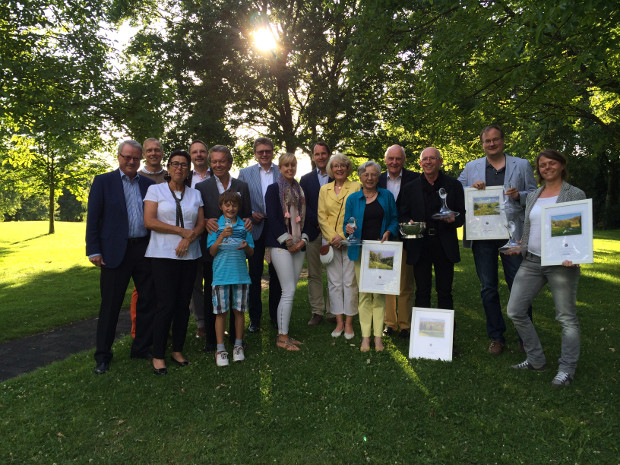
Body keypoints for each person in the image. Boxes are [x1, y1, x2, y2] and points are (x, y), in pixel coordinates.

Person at [507, 150, 586, 387]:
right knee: (515, 310)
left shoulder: (574, 194)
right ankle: (535, 359)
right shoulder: (534, 195)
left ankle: (567, 368)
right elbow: (532, 228)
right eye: (542, 165)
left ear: (562, 166)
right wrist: (520, 246)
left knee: (566, 318)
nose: (547, 167)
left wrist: (575, 254)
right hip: (531, 261)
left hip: (561, 264)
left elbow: (578, 228)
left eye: (552, 163)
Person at [458, 125, 537, 355]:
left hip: (513, 235)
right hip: (482, 236)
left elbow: (533, 195)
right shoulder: (472, 167)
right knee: (488, 288)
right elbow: (456, 190)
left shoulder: (521, 164)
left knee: (519, 286)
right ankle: (496, 336)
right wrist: (470, 188)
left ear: (503, 141)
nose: (491, 144)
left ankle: (525, 336)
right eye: (487, 141)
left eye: (495, 140)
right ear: (482, 144)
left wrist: (519, 195)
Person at [86, 140, 155, 375]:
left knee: (148, 301)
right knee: (111, 305)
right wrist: (93, 249)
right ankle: (103, 356)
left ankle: (141, 348)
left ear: (140, 160)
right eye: (127, 157)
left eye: (136, 158)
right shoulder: (103, 181)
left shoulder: (148, 184)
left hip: (144, 251)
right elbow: (93, 218)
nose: (131, 161)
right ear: (118, 157)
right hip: (114, 251)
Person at [144, 150, 204, 375]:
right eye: (175, 164)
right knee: (165, 304)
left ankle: (177, 349)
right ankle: (158, 354)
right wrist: (181, 232)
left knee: (182, 304)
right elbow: (149, 221)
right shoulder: (155, 190)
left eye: (183, 165)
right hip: (162, 256)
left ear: (188, 170)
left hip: (189, 256)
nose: (179, 168)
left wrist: (189, 238)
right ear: (168, 168)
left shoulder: (194, 194)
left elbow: (199, 224)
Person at [195, 145, 252, 352]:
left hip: (235, 249)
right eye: (215, 161)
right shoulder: (202, 187)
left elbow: (246, 213)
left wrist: (247, 221)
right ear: (211, 163)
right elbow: (199, 214)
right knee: (214, 293)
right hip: (213, 247)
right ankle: (212, 340)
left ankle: (237, 339)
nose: (218, 165)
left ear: (229, 162)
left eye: (222, 161)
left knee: (235, 294)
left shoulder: (242, 185)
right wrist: (207, 220)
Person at [399, 148, 465, 310]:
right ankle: (422, 334)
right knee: (422, 291)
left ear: (440, 162)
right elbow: (402, 214)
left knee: (445, 291)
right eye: (425, 159)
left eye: (432, 158)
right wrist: (410, 222)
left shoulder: (453, 185)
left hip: (444, 244)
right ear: (420, 163)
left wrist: (453, 219)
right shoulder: (409, 188)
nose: (428, 162)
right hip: (420, 245)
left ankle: (447, 333)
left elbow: (462, 216)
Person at [344, 161, 398, 352]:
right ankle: (365, 337)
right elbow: (346, 225)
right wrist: (348, 229)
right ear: (360, 176)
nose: (369, 178)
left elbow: (394, 219)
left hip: (381, 251)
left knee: (380, 294)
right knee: (365, 294)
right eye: (366, 174)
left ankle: (378, 338)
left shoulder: (387, 196)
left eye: (373, 174)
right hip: (360, 251)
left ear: (378, 176)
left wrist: (389, 232)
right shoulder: (353, 199)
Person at [264, 153, 309, 350]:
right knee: (288, 290)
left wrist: (302, 240)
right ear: (280, 168)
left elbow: (311, 217)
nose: (290, 168)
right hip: (281, 246)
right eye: (286, 165)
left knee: (290, 290)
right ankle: (282, 338)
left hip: (299, 246)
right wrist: (288, 242)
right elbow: (273, 219)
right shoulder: (273, 189)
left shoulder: (300, 190)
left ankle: (285, 333)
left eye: (293, 165)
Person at [238, 137, 282, 332]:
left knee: (276, 275)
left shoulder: (282, 172)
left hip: (276, 231)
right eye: (260, 151)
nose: (264, 154)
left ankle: (275, 316)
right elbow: (236, 202)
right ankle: (254, 319)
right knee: (254, 275)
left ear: (273, 151)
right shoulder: (244, 174)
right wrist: (248, 214)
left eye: (268, 151)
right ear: (255, 153)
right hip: (254, 229)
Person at [208, 191, 255, 366]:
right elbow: (212, 252)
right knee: (221, 313)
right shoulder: (215, 226)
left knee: (239, 312)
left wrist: (246, 247)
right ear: (221, 207)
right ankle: (220, 349)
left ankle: (238, 345)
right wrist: (221, 237)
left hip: (241, 275)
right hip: (221, 276)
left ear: (238, 207)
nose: (231, 208)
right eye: (227, 205)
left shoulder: (245, 226)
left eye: (234, 205)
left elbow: (251, 251)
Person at [378, 144, 419, 338]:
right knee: (386, 282)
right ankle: (390, 324)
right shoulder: (376, 179)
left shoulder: (415, 178)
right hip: (383, 239)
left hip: (406, 237)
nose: (394, 162)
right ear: (385, 160)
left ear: (404, 160)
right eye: (391, 158)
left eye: (398, 158)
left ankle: (405, 324)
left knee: (405, 283)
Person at [318, 154, 360, 339]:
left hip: (349, 241)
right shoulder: (324, 189)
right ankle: (339, 322)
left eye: (342, 165)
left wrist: (342, 236)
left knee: (350, 282)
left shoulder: (356, 187)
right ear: (331, 169)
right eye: (335, 166)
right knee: (334, 283)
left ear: (348, 167)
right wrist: (332, 237)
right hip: (330, 242)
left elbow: (358, 214)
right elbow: (321, 216)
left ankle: (349, 323)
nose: (339, 169)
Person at [130, 137, 168, 338]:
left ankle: (162, 328)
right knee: (142, 288)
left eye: (157, 150)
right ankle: (138, 331)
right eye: (149, 150)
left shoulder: (171, 176)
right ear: (144, 154)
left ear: (162, 153)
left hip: (167, 240)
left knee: (164, 287)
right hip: (144, 239)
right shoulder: (136, 177)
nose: (154, 153)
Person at [300, 141, 334, 326]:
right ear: (313, 157)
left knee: (333, 273)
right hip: (313, 231)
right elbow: (303, 205)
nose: (320, 157)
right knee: (314, 273)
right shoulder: (305, 180)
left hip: (333, 232)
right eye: (317, 154)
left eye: (323, 153)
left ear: (329, 154)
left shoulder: (337, 175)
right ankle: (317, 311)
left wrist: (328, 225)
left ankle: (332, 311)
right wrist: (319, 222)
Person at [187, 140, 212, 339]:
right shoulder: (185, 177)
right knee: (194, 282)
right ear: (190, 155)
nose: (199, 155)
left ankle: (217, 321)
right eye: (195, 152)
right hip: (192, 236)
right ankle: (202, 323)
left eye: (202, 151)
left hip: (214, 236)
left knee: (214, 281)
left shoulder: (219, 174)